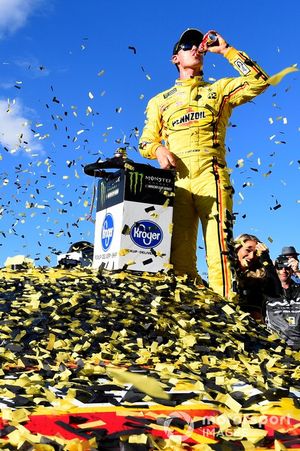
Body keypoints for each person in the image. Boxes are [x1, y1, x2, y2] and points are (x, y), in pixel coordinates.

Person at [139, 28, 270, 298]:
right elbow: (145, 141)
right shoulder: (159, 102)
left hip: (212, 175)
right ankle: (190, 311)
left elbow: (259, 81)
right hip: (178, 182)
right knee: (179, 255)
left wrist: (226, 51)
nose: (194, 48)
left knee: (220, 249)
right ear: (175, 58)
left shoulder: (219, 90)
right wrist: (158, 149)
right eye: (187, 45)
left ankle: (228, 312)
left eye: (197, 44)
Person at [233, 234, 282, 321]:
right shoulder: (226, 271)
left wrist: (265, 258)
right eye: (248, 250)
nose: (251, 256)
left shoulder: (260, 275)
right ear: (237, 248)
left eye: (255, 253)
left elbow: (276, 292)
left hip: (253, 328)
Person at [265, 255, 300, 349]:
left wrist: (297, 271)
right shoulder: (268, 290)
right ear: (275, 269)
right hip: (276, 345)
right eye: (280, 268)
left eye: (287, 268)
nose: (283, 271)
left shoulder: (298, 289)